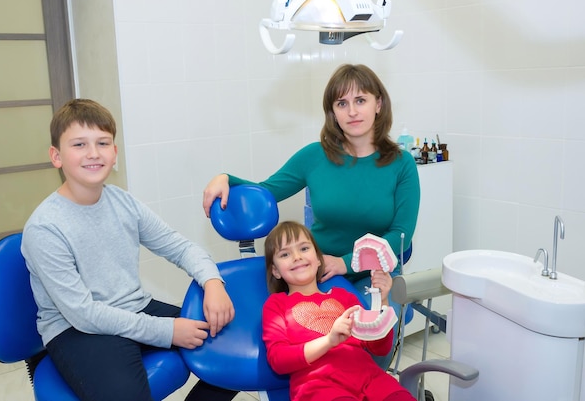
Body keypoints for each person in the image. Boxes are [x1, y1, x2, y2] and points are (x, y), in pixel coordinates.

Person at [202, 63, 421, 367]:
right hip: (314, 273)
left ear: (378, 104)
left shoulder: (401, 163)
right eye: (342, 103)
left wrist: (345, 263)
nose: (352, 112)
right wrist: (226, 178)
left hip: (374, 277)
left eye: (361, 100)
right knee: (312, 352)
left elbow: (401, 233)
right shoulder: (315, 156)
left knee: (371, 352)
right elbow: (266, 191)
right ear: (332, 112)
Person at [21, 99, 238, 401]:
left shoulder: (122, 202)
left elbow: (179, 246)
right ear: (56, 156)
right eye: (79, 144)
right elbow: (84, 314)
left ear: (114, 153)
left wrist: (213, 282)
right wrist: (167, 330)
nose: (93, 153)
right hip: (77, 330)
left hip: (132, 307)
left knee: (235, 348)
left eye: (103, 143)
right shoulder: (45, 228)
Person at [262, 221, 415, 401]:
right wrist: (329, 341)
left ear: (319, 259)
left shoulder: (344, 296)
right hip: (318, 386)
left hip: (368, 376)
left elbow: (379, 348)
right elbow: (278, 360)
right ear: (276, 271)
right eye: (285, 254)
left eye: (303, 249)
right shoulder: (277, 305)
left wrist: (381, 300)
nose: (296, 257)